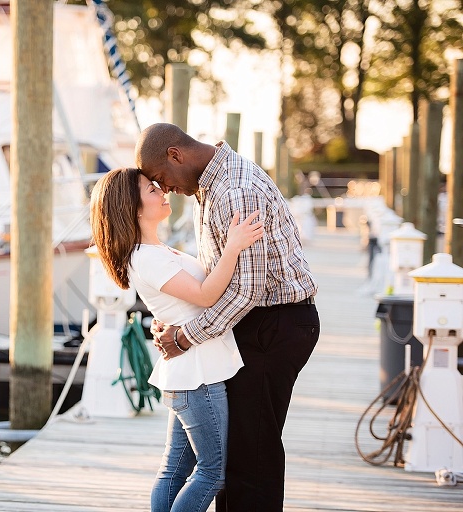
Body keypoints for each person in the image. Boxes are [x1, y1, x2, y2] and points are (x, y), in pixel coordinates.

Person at [135, 122, 320, 512]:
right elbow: (216, 277)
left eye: (160, 178)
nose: (164, 188)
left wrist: (186, 336)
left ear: (175, 155)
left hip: (274, 322)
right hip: (255, 322)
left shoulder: (235, 190)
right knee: (240, 452)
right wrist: (174, 318)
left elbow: (247, 290)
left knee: (251, 456)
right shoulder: (212, 184)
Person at [89, 167, 264, 512]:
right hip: (197, 377)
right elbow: (205, 295)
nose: (161, 191)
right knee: (212, 473)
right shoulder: (148, 256)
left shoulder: (156, 251)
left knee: (176, 469)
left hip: (190, 373)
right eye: (150, 190)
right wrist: (234, 246)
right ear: (134, 208)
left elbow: (176, 301)